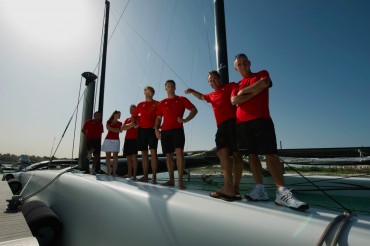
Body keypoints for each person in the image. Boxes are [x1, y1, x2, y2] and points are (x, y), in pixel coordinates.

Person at [232, 53, 308, 210]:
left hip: (261, 120)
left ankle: (281, 192)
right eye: (239, 64)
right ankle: (260, 189)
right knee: (252, 155)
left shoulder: (261, 74)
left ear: (249, 63)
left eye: (245, 62)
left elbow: (264, 83)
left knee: (271, 154)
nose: (243, 65)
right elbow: (234, 101)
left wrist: (243, 93)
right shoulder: (235, 85)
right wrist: (250, 91)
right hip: (241, 124)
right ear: (235, 68)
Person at [185, 71, 243, 201]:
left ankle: (235, 188)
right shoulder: (211, 95)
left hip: (234, 123)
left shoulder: (230, 86)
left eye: (214, 79)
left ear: (219, 78)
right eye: (210, 81)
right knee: (222, 153)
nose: (213, 82)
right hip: (221, 127)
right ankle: (228, 187)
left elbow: (240, 91)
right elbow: (201, 97)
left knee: (237, 155)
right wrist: (192, 90)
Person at [155, 80, 198, 189]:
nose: (170, 88)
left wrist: (185, 119)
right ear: (165, 88)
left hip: (177, 130)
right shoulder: (161, 103)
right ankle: (171, 180)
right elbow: (159, 118)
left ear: (175, 88)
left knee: (179, 153)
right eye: (168, 86)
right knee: (168, 155)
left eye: (172, 86)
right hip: (165, 131)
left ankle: (180, 181)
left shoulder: (181, 99)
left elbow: (194, 110)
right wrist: (156, 129)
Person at [132, 86, 159, 184]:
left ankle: (154, 177)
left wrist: (157, 127)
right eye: (147, 91)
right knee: (144, 154)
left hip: (152, 130)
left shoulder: (157, 103)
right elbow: (134, 116)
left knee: (153, 153)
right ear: (144, 92)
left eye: (151, 91)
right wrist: (135, 124)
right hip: (142, 131)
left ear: (153, 93)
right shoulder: (140, 104)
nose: (149, 93)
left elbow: (159, 117)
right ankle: (145, 176)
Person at [101, 110, 122, 176]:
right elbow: (108, 128)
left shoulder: (120, 123)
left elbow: (120, 130)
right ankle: (108, 172)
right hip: (108, 140)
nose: (120, 116)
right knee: (108, 156)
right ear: (115, 114)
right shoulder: (108, 121)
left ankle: (114, 173)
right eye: (119, 114)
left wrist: (111, 129)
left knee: (115, 156)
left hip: (116, 140)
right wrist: (116, 130)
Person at [121, 105, 138, 180]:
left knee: (134, 157)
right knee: (128, 157)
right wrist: (131, 124)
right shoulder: (127, 119)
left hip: (135, 139)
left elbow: (136, 126)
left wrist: (130, 125)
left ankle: (134, 174)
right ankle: (129, 173)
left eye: (133, 108)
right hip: (127, 139)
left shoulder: (139, 118)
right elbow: (123, 128)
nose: (132, 110)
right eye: (130, 109)